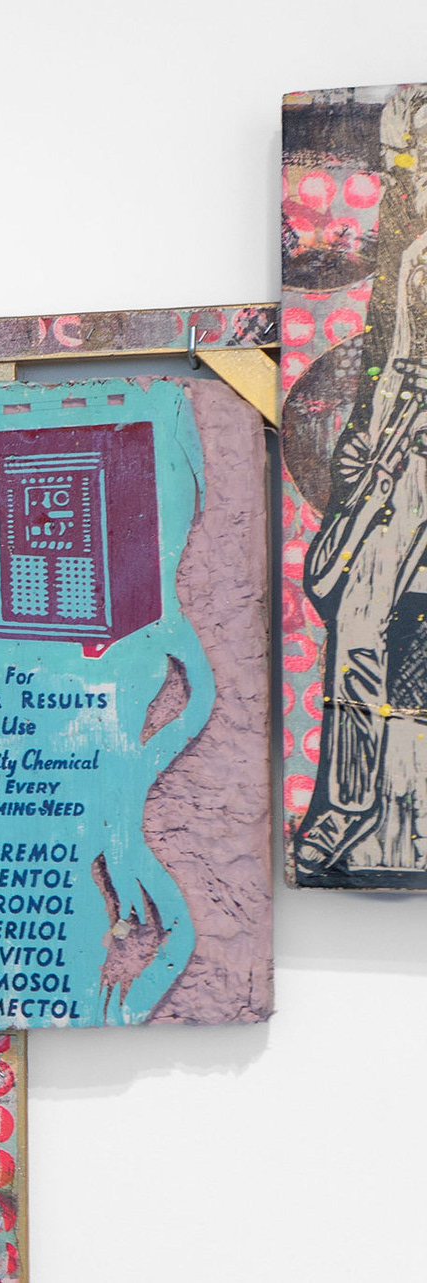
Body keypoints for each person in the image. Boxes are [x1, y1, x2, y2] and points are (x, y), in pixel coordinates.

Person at [296, 85, 427, 879]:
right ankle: (347, 804)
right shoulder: (410, 256)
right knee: (355, 620)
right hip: (403, 458)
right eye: (411, 159)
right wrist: (360, 447)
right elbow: (387, 363)